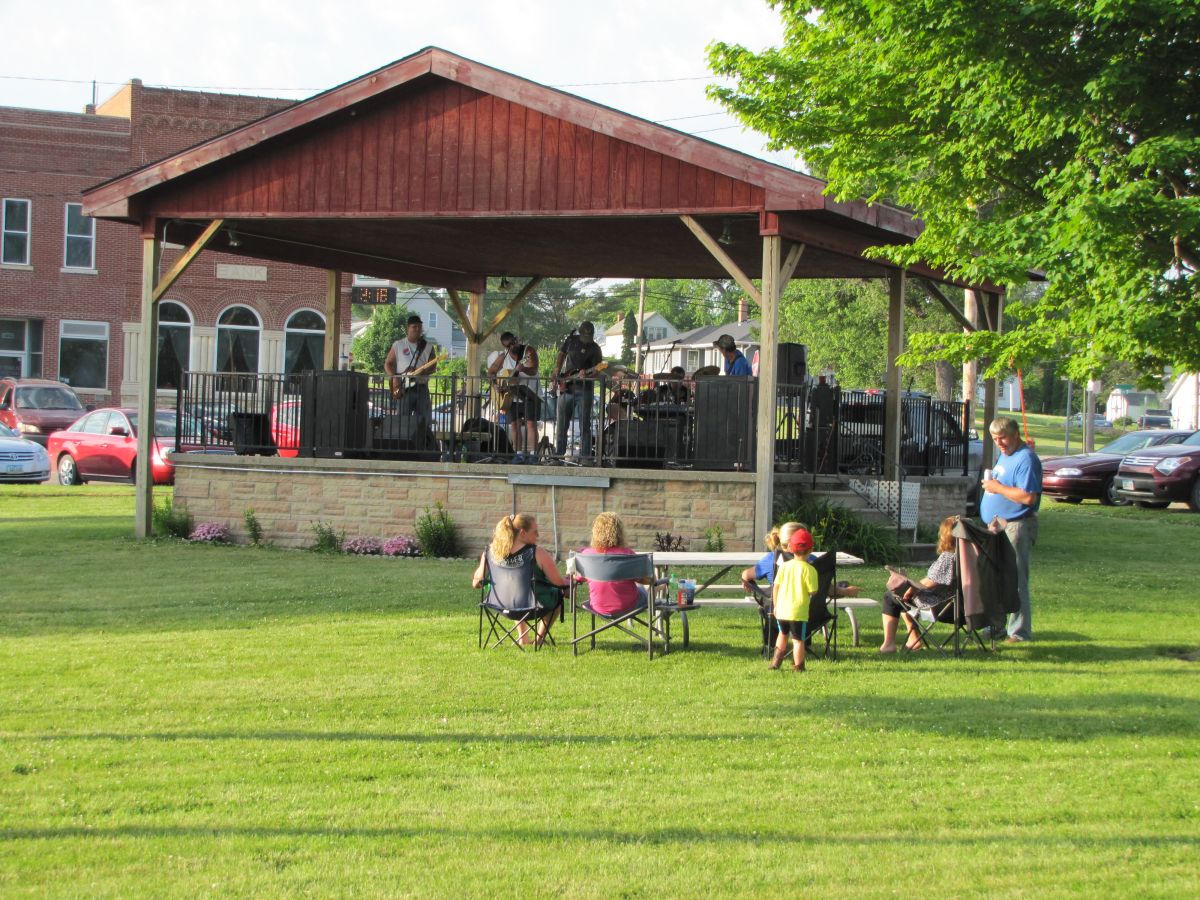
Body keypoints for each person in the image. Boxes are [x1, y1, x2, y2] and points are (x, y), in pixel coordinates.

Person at [981, 416, 1042, 643]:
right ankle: (996, 627)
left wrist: (996, 487)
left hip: (1018, 526)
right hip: (997, 526)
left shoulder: (1026, 459)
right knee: (995, 579)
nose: (1000, 443)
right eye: (996, 439)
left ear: (1015, 434)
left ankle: (1019, 632)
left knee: (1015, 579)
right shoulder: (1007, 456)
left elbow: (1027, 496)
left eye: (1003, 437)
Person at [472, 514, 568, 646]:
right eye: (535, 532)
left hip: (502, 605)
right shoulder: (537, 553)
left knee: (515, 591)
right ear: (523, 533)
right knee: (556, 595)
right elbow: (559, 583)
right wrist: (571, 581)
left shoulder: (490, 552)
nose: (538, 536)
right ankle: (539, 640)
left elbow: (477, 582)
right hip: (533, 607)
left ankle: (523, 638)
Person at [879, 515, 959, 653]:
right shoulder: (973, 557)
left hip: (944, 607)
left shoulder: (949, 557)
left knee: (891, 596)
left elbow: (930, 582)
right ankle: (913, 639)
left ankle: (889, 645)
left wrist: (910, 586)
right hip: (966, 608)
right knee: (903, 595)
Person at [576, 512, 652, 616]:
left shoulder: (586, 555)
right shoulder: (627, 554)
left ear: (595, 532)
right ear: (619, 532)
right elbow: (647, 579)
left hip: (597, 607)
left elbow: (576, 577)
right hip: (628, 606)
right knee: (647, 589)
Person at [552, 321, 604, 460]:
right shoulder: (571, 340)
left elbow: (598, 370)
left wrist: (588, 375)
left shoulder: (595, 349)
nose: (587, 340)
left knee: (584, 424)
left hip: (584, 389)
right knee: (562, 423)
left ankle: (586, 456)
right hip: (567, 387)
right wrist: (557, 368)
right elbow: (562, 354)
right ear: (580, 333)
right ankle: (559, 453)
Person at [770, 528, 818, 671]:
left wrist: (776, 605)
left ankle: (775, 663)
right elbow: (813, 591)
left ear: (791, 548)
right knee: (798, 640)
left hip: (782, 609)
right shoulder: (809, 570)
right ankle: (798, 667)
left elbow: (776, 587)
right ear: (811, 549)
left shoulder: (784, 566)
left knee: (782, 634)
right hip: (798, 612)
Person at [488, 331, 540, 462]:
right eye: (509, 346)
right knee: (514, 425)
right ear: (505, 347)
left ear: (516, 339)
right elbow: (491, 371)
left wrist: (523, 369)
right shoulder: (503, 356)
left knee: (530, 424)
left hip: (530, 393)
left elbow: (534, 369)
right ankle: (518, 454)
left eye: (514, 342)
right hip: (511, 396)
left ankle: (533, 455)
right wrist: (495, 384)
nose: (513, 346)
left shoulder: (528, 351)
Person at [384, 315, 440, 426]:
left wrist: (422, 371)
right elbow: (388, 363)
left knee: (424, 420)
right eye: (414, 327)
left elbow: (433, 367)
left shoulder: (428, 347)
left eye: (419, 327)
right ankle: (403, 443)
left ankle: (422, 442)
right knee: (402, 421)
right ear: (407, 328)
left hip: (422, 386)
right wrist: (394, 377)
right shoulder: (398, 344)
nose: (417, 329)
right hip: (404, 388)